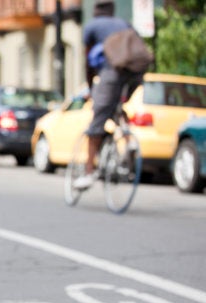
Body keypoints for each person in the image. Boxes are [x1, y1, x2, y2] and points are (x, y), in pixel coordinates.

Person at [73, 0, 143, 189]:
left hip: (112, 73)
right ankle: (128, 140)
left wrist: (90, 88)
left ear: (95, 12)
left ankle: (88, 174)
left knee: (97, 121)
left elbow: (88, 62)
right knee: (117, 105)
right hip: (136, 73)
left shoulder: (93, 26)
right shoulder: (124, 24)